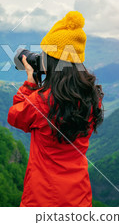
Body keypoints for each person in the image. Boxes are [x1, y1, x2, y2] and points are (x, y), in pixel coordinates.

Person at [7, 11, 104, 207]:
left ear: (51, 62)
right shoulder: (92, 97)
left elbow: (15, 116)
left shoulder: (41, 102)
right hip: (79, 196)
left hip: (43, 198)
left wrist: (30, 83)